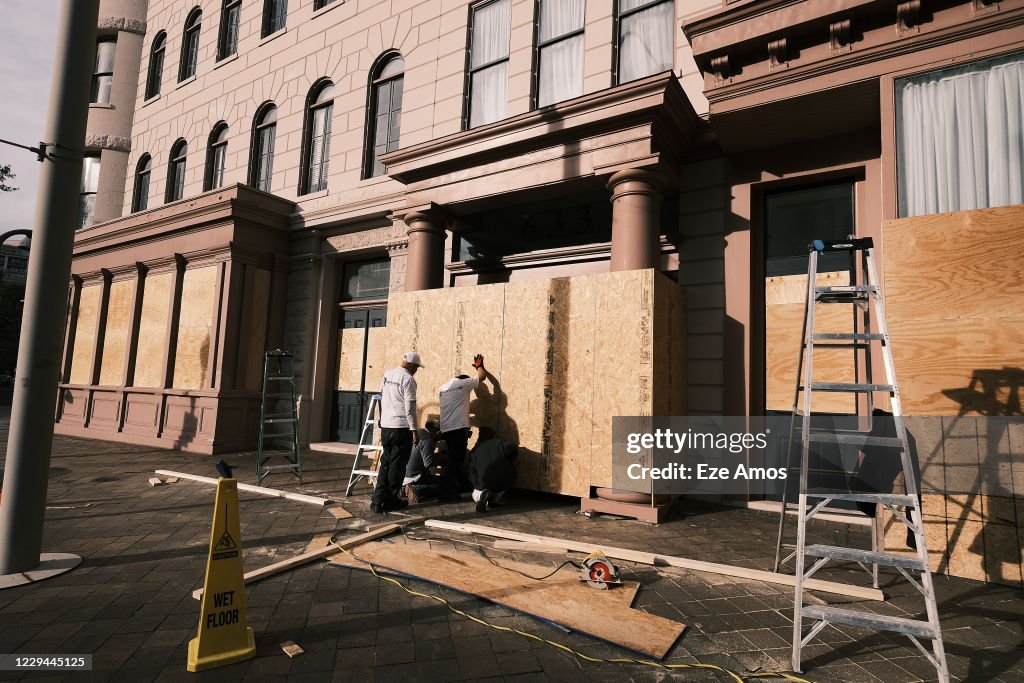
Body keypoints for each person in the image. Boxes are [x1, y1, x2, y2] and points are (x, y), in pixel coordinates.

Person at [372, 351, 423, 513]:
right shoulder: (408, 379)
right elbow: (410, 408)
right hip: (401, 427)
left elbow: (381, 397)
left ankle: (377, 500)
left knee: (386, 463)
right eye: (416, 367)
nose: (416, 370)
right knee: (398, 466)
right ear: (412, 365)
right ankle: (391, 499)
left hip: (386, 427)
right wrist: (414, 430)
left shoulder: (387, 375)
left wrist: (381, 419)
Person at [438, 354, 487, 494]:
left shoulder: (442, 387)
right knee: (456, 459)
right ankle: (444, 492)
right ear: (466, 381)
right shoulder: (464, 384)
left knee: (454, 458)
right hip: (458, 429)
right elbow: (481, 376)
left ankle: (459, 485)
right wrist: (479, 366)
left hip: (446, 429)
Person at [469, 428, 518, 513]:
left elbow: (472, 473)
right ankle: (496, 498)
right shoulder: (499, 443)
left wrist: (477, 486)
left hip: (484, 481)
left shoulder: (474, 451)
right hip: (504, 478)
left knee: (475, 494)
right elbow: (513, 447)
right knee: (499, 486)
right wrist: (510, 461)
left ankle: (482, 495)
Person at [401, 420, 445, 503]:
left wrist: (436, 456)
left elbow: (422, 455)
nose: (440, 439)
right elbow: (428, 463)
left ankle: (404, 488)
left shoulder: (419, 432)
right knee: (444, 484)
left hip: (404, 474)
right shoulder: (428, 440)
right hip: (414, 476)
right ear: (438, 433)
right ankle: (416, 489)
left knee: (438, 480)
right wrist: (443, 458)